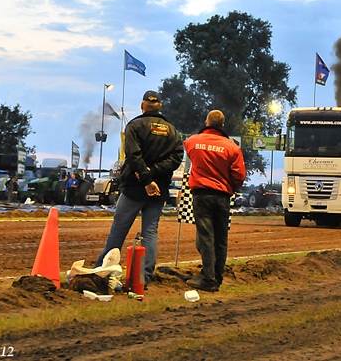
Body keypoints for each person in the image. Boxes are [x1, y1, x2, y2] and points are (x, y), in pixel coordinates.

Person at [95, 90, 183, 288]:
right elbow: (176, 158)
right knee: (150, 231)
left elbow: (133, 156)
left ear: (143, 106)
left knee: (119, 229)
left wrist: (145, 177)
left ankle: (103, 270)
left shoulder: (134, 125)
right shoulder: (172, 130)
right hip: (158, 189)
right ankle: (143, 276)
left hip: (134, 188)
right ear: (160, 107)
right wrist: (154, 174)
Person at [183, 110, 246, 292]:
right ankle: (217, 278)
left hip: (201, 195)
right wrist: (230, 188)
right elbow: (239, 175)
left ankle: (208, 279)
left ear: (206, 122)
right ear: (223, 126)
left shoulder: (192, 141)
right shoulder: (232, 147)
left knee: (205, 238)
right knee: (221, 238)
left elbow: (190, 152)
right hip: (222, 196)